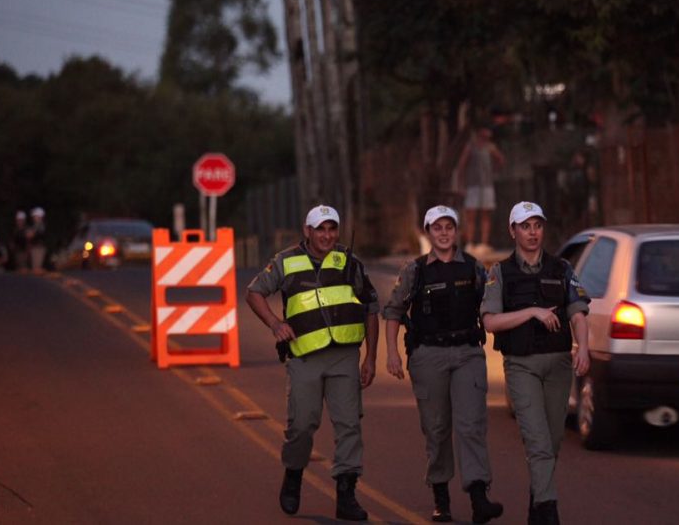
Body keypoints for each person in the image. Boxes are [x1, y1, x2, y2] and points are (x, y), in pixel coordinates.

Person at [245, 205, 380, 521]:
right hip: (305, 356)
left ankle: (346, 495)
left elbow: (372, 309)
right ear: (307, 231)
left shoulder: (349, 261)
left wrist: (371, 357)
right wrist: (275, 324)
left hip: (344, 356)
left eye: (332, 229)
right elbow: (254, 293)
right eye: (320, 229)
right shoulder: (286, 261)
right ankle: (293, 474)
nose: (327, 236)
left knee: (349, 425)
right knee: (302, 425)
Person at [383, 205, 504, 524]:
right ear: (428, 232)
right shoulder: (415, 270)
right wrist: (392, 353)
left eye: (449, 227)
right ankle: (440, 495)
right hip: (428, 355)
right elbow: (393, 311)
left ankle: (479, 497)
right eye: (437, 228)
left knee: (471, 425)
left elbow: (492, 306)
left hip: (467, 353)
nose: (444, 233)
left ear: (457, 231)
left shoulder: (474, 268)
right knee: (436, 428)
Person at [480, 202, 590, 525]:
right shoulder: (500, 273)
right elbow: (490, 322)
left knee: (552, 442)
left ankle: (536, 503)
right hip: (522, 365)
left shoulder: (561, 269)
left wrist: (583, 348)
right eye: (525, 226)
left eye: (537, 226)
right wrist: (531, 312)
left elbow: (578, 313)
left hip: (558, 366)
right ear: (512, 231)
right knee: (538, 442)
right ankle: (549, 511)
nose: (532, 233)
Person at [456, 127, 505, 250]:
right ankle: (470, 243)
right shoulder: (471, 147)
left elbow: (501, 160)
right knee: (471, 215)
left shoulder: (490, 147)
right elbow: (461, 166)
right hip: (472, 185)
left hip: (487, 185)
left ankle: (484, 243)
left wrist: (495, 170)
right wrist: (461, 185)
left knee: (486, 214)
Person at [28, 207, 47, 273]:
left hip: (39, 248)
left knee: (37, 268)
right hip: (35, 247)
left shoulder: (40, 225)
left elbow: (31, 235)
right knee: (35, 268)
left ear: (39, 216)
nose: (33, 217)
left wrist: (30, 233)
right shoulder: (35, 225)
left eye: (34, 216)